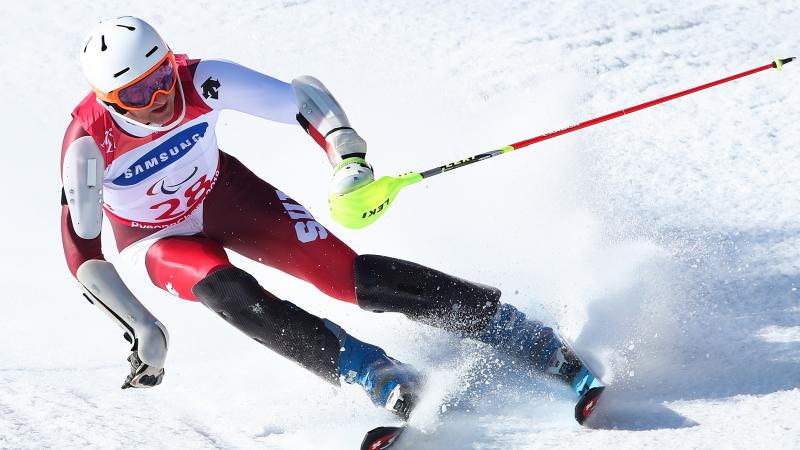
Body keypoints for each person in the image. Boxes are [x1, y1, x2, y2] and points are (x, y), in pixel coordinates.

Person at [61, 16, 600, 421]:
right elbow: (83, 254)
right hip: (158, 239)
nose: (160, 96)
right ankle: (371, 370)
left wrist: (348, 158)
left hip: (225, 193)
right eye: (136, 92)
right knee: (232, 295)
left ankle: (515, 329)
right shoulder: (89, 143)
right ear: (109, 100)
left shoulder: (198, 79)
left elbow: (302, 97)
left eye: (161, 75)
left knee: (348, 279)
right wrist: (141, 327)